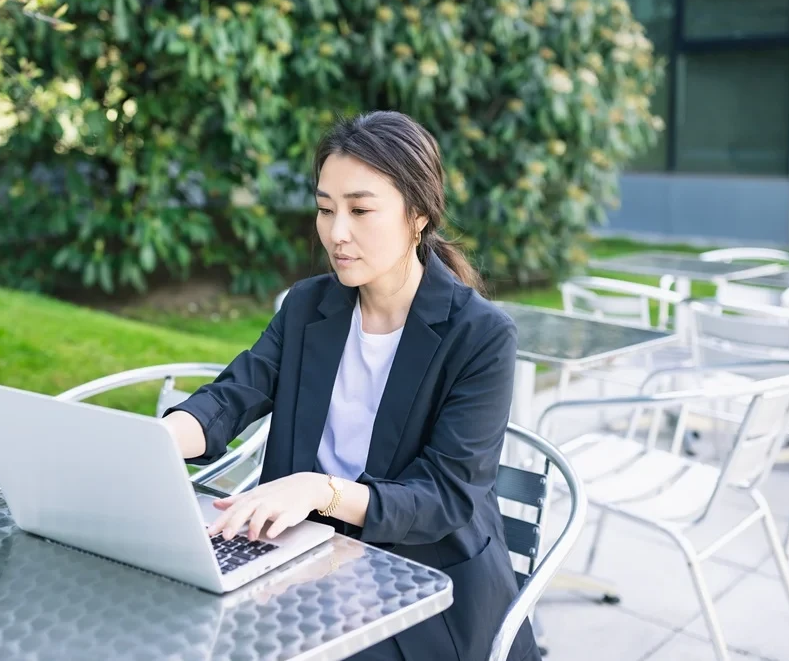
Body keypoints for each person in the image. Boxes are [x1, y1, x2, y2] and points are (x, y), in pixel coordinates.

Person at [162, 110, 539, 661]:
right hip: (303, 562)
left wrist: (319, 490)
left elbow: (445, 497)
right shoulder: (308, 306)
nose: (336, 233)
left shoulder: (479, 335)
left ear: (418, 215)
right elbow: (233, 395)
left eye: (360, 210)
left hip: (425, 590)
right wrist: (162, 441)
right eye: (324, 209)